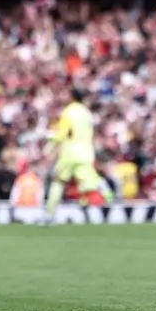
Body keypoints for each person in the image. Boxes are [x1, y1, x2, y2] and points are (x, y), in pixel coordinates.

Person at [44, 81, 109, 222]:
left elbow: (62, 133)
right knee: (88, 182)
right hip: (86, 151)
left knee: (59, 181)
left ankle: (49, 215)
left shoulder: (69, 111)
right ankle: (104, 189)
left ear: (72, 96)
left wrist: (50, 145)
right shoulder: (86, 112)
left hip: (70, 151)